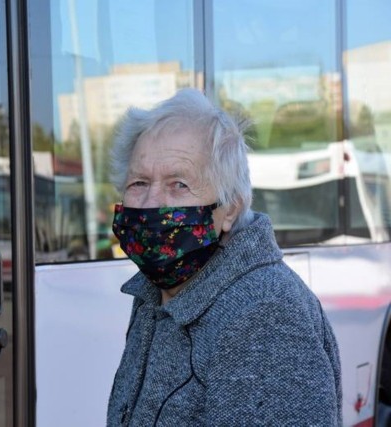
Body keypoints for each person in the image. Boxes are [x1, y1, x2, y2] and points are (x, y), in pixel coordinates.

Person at [107, 88, 342, 426]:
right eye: (139, 182)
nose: (150, 203)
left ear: (229, 209)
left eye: (179, 184)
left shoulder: (265, 316)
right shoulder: (156, 292)